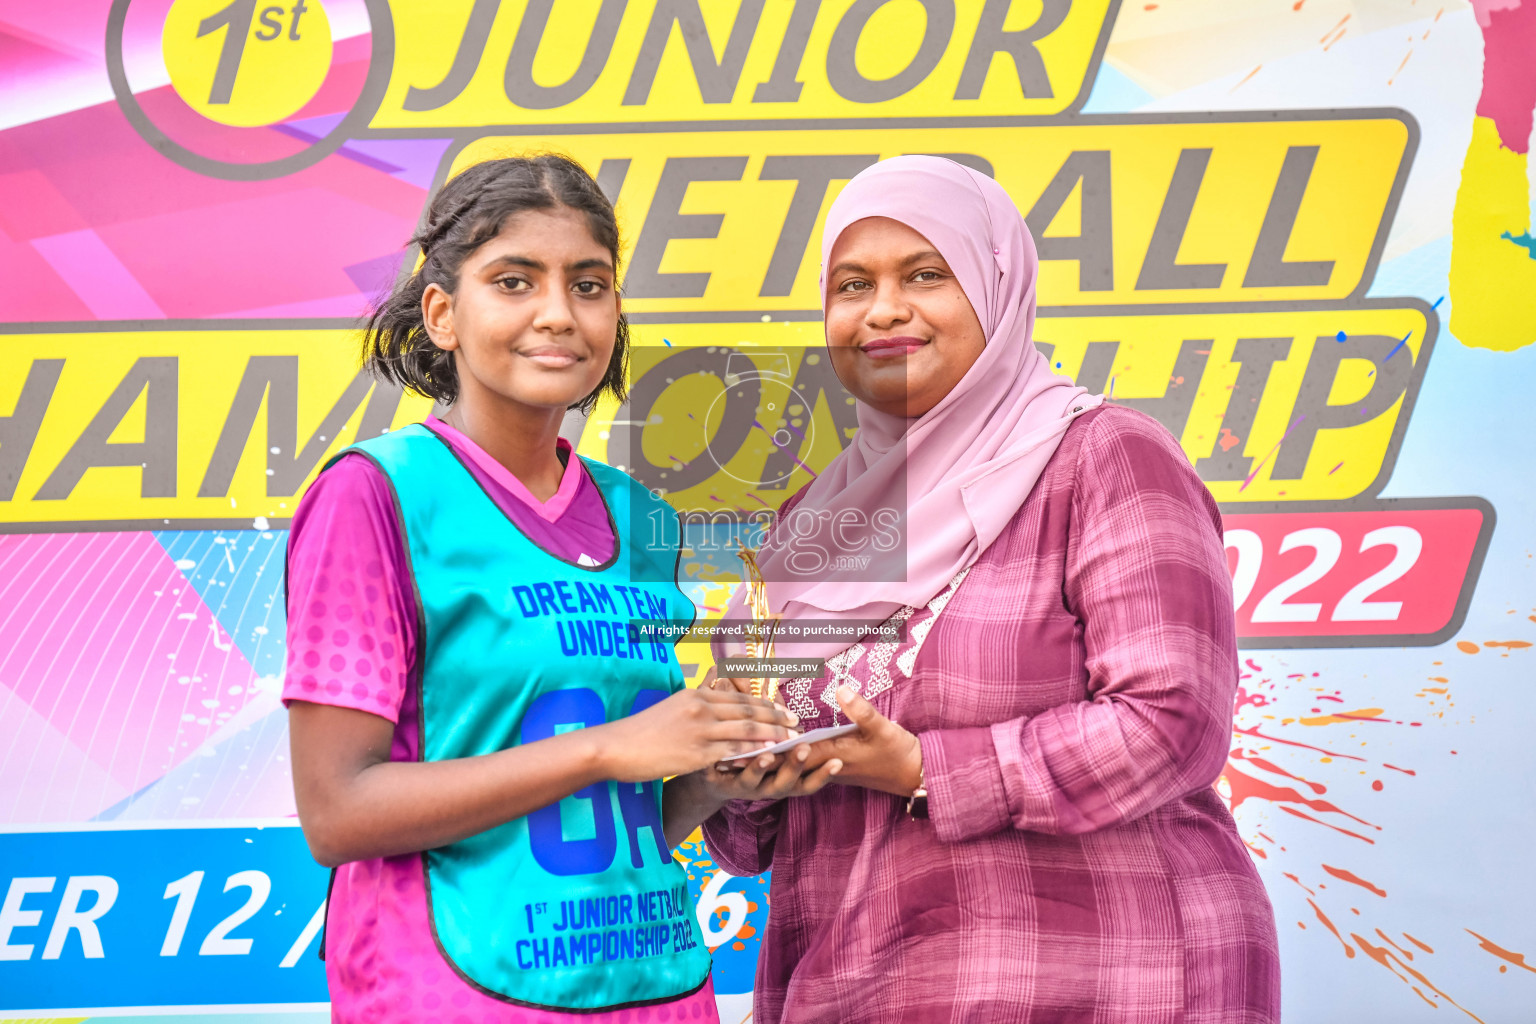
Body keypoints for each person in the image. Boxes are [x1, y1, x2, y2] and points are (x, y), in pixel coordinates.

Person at [702, 156, 1281, 1023]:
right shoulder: (805, 528)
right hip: (860, 986)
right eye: (852, 284)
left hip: (1110, 981)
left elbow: (1173, 723)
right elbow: (747, 836)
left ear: (997, 286)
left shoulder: (1103, 456)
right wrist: (742, 764)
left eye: (926, 274)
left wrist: (926, 769)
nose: (884, 309)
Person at [283, 154, 812, 1022]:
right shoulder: (376, 493)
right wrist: (610, 748)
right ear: (444, 314)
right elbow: (339, 813)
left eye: (590, 284)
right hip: (454, 992)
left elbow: (629, 813)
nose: (558, 314)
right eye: (515, 281)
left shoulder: (641, 514)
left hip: (658, 988)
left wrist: (717, 768)